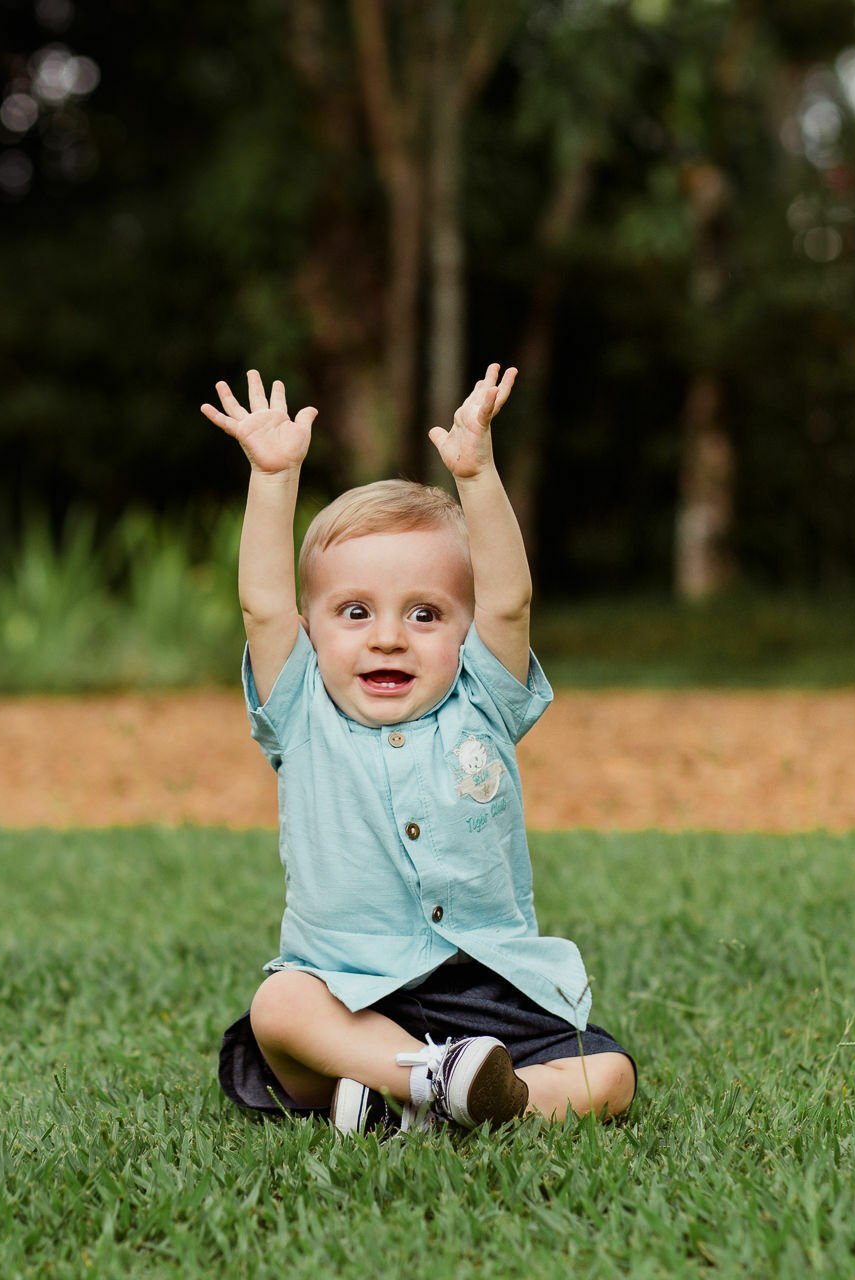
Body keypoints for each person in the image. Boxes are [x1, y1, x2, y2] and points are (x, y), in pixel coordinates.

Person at [200, 364, 636, 1134]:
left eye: (425, 614)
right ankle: (430, 1083)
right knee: (280, 1005)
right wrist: (273, 479)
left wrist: (477, 474)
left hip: (488, 990)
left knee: (611, 1077)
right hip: (347, 988)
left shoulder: (483, 704)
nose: (389, 636)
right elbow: (261, 604)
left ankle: (425, 1099)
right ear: (311, 629)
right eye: (356, 611)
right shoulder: (301, 710)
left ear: (465, 632)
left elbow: (511, 597)